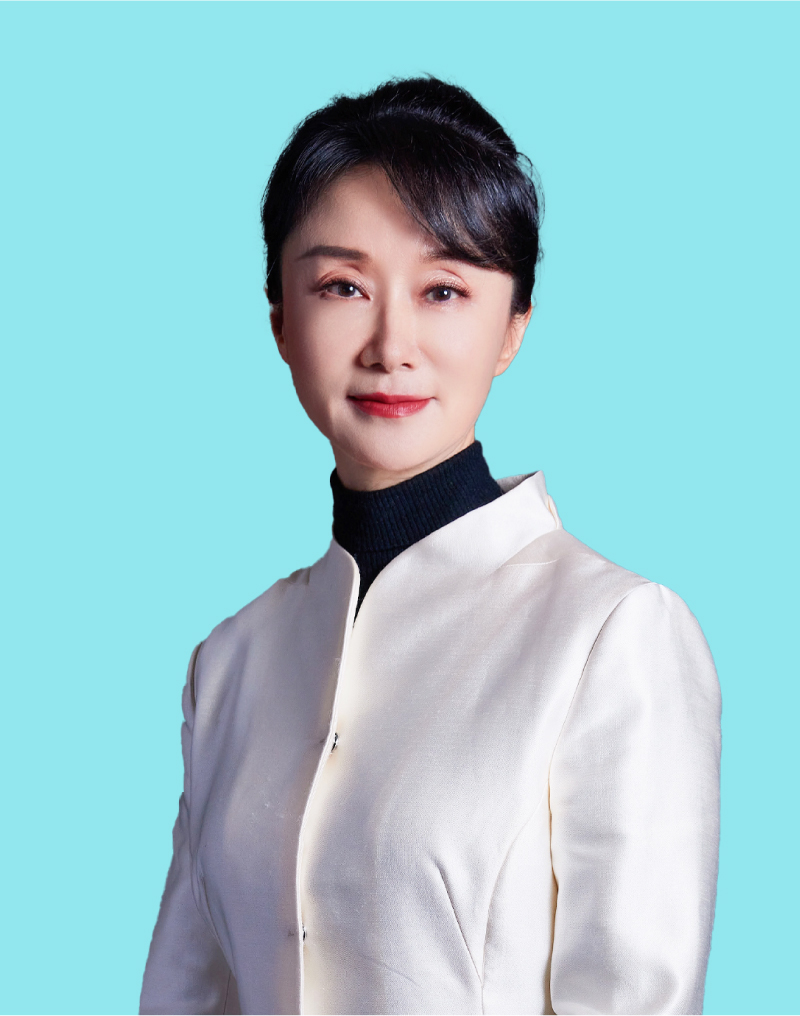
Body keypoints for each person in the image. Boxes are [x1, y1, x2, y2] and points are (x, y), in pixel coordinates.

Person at [139, 76, 721, 1016]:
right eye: (342, 286)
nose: (391, 344)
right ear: (280, 318)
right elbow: (182, 994)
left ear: (513, 328)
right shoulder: (230, 661)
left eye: (444, 290)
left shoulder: (612, 633)